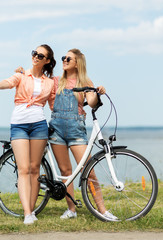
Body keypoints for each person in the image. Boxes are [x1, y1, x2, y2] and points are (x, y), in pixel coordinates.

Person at [0, 44, 56, 225]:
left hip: (39, 125)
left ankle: (31, 211)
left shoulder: (50, 82)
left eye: (40, 55)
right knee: (23, 169)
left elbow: (54, 105)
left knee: (35, 169)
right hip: (19, 126)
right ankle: (27, 214)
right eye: (34, 53)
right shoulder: (21, 75)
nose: (36, 57)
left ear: (47, 60)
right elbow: (7, 83)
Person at [48, 48, 117, 220]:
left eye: (68, 58)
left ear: (77, 63)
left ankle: (103, 210)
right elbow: (37, 82)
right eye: (64, 58)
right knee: (65, 172)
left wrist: (96, 92)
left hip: (76, 131)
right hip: (56, 130)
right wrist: (22, 73)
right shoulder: (56, 81)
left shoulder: (84, 81)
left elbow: (92, 103)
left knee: (89, 171)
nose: (64, 60)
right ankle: (71, 210)